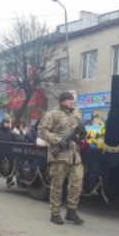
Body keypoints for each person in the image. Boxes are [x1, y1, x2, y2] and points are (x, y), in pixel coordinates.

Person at [38, 91, 87, 225]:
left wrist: (83, 133)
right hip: (59, 156)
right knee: (57, 186)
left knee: (77, 183)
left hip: (74, 157)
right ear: (63, 100)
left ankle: (71, 211)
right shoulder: (53, 114)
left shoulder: (75, 117)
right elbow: (41, 130)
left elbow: (81, 137)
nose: (72, 101)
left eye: (73, 99)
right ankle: (55, 213)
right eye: (70, 99)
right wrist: (57, 140)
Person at [0, 118, 18, 187]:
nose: (7, 124)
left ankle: (9, 180)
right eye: (5, 123)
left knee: (10, 165)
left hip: (8, 151)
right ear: (3, 123)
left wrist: (16, 134)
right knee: (0, 165)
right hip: (0, 151)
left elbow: (14, 140)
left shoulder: (10, 131)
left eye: (8, 123)